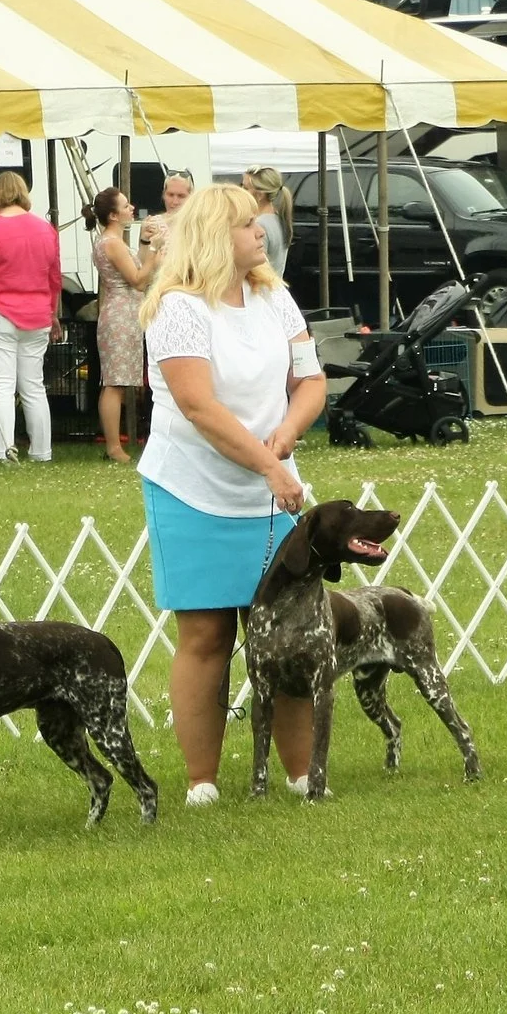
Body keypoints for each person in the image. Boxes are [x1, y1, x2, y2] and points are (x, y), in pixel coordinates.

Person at [138, 183, 325, 805]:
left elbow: (311, 381)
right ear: (218, 235)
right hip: (193, 486)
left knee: (289, 632)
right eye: (249, 225)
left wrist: (288, 434)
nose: (260, 234)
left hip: (275, 480)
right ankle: (202, 782)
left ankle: (301, 773)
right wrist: (268, 467)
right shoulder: (177, 307)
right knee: (207, 635)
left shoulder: (277, 299)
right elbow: (198, 405)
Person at [0, 171, 63, 462]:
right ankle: (42, 451)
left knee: (1, 386)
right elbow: (54, 276)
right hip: (39, 314)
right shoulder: (46, 230)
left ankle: (2, 451)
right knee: (33, 386)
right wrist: (54, 313)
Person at [90, 185, 156, 463]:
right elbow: (138, 279)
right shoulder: (112, 243)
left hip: (124, 312)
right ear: (114, 215)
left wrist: (143, 245)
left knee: (117, 381)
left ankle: (115, 445)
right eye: (126, 205)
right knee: (115, 383)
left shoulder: (111, 241)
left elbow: (136, 268)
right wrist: (155, 254)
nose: (132, 208)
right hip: (120, 313)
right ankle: (114, 447)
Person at [241, 166, 293, 280]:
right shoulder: (278, 218)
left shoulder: (260, 225)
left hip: (262, 289)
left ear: (259, 195)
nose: (240, 191)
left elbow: (256, 270)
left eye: (245, 188)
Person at [139, 171, 194, 248]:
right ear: (163, 195)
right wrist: (145, 240)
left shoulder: (198, 224)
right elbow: (142, 259)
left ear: (191, 197)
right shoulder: (153, 224)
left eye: (181, 196)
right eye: (170, 195)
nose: (175, 202)